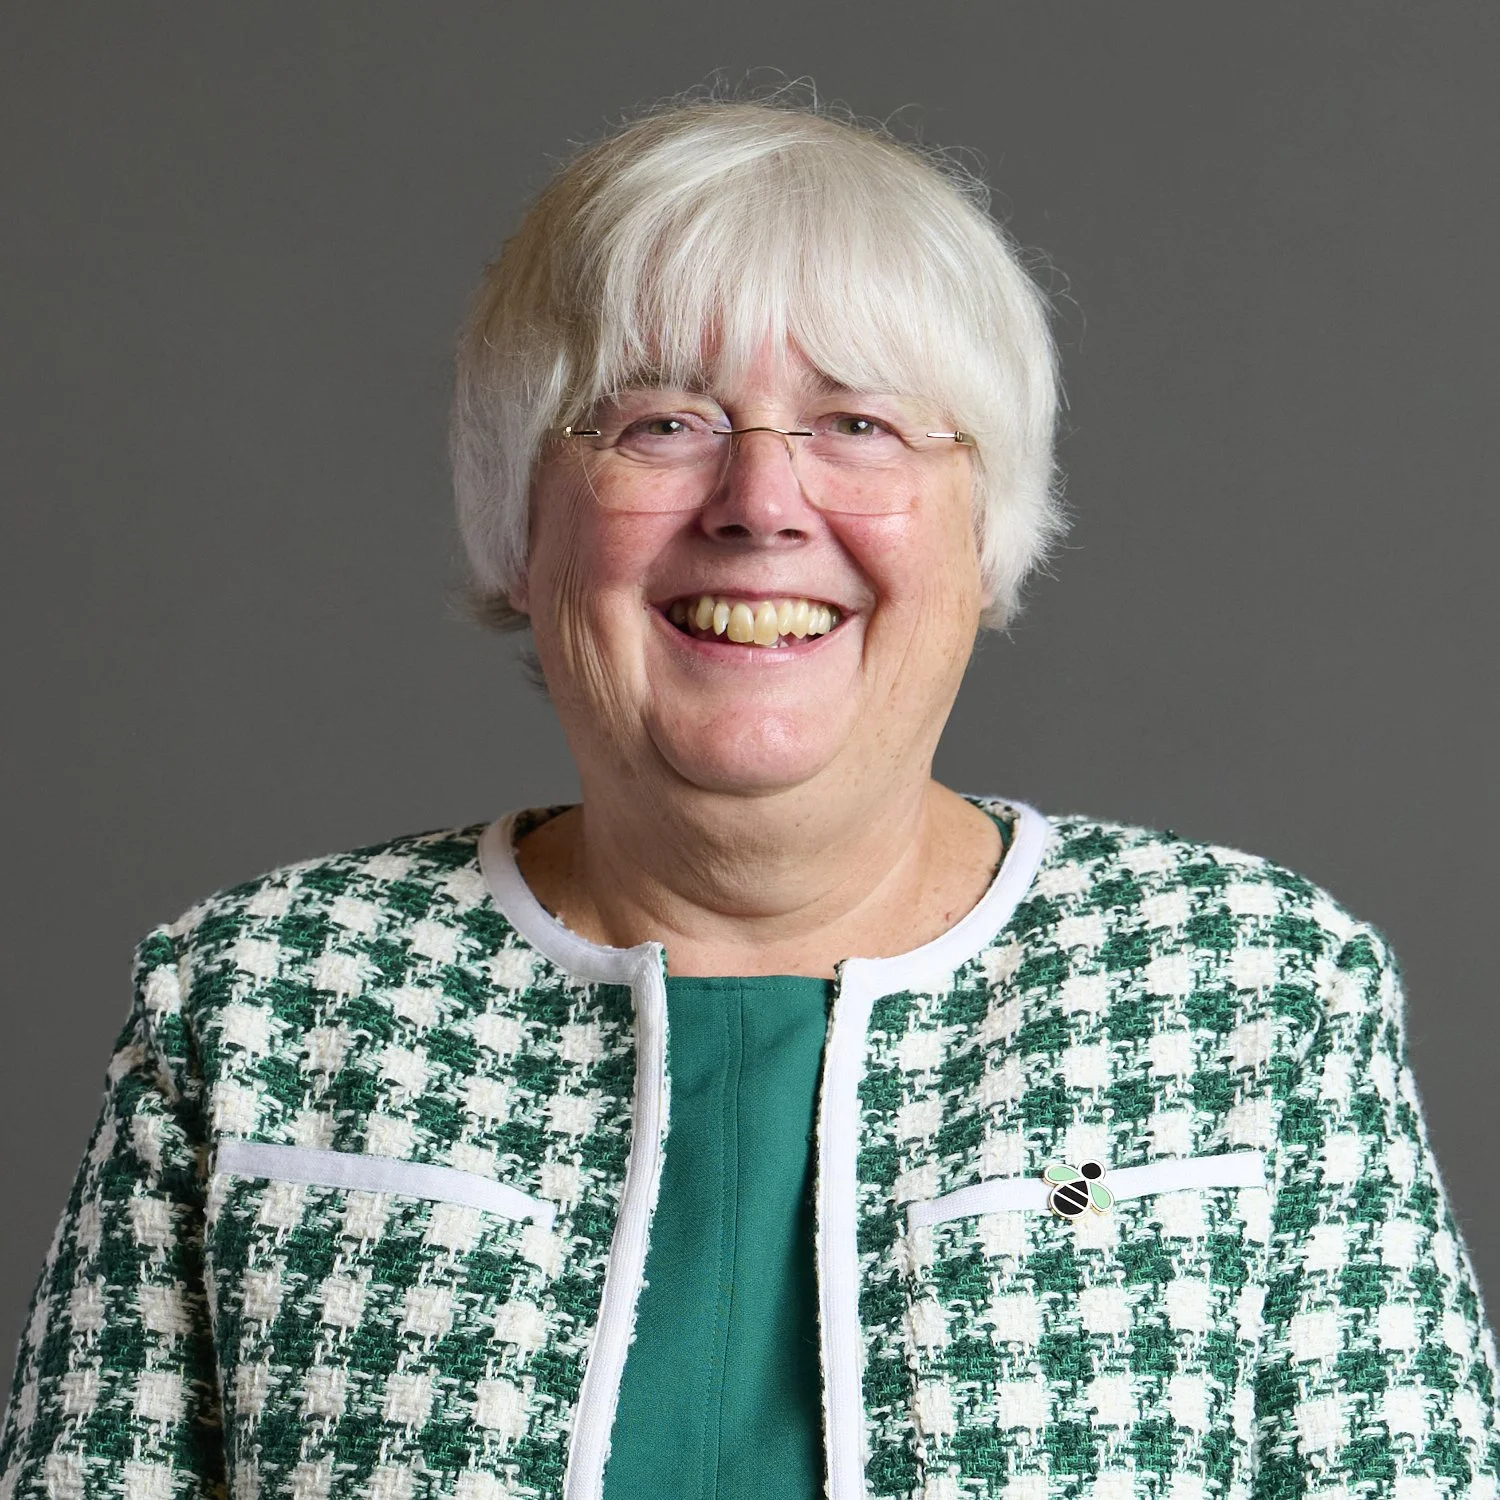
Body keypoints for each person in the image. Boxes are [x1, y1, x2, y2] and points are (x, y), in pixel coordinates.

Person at [1, 94, 1495, 1500]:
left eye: (859, 423)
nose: (761, 502)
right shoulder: (261, 999)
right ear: (524, 522)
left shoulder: (1248, 991)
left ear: (987, 534)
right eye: (660, 420)